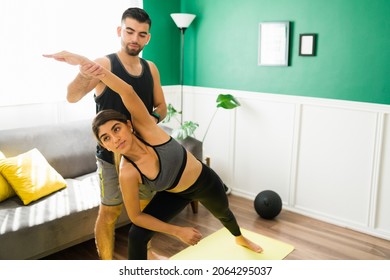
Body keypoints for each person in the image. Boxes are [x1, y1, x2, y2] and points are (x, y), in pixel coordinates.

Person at [43, 51, 263, 260]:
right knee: (136, 234)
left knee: (224, 213)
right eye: (106, 138)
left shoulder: (148, 129)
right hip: (176, 194)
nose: (115, 138)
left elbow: (126, 91)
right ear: (105, 147)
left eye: (116, 129)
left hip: (204, 182)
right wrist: (177, 231)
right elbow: (136, 217)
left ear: (129, 125)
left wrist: (85, 62)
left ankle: (240, 238)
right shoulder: (127, 172)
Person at [63, 8, 167, 260]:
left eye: (142, 34)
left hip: (143, 154)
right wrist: (83, 73)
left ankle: (146, 258)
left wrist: (145, 123)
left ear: (148, 38)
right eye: (130, 31)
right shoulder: (105, 64)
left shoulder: (150, 68)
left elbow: (161, 108)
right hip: (110, 157)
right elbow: (72, 96)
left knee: (145, 213)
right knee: (110, 212)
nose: (135, 38)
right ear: (120, 31)